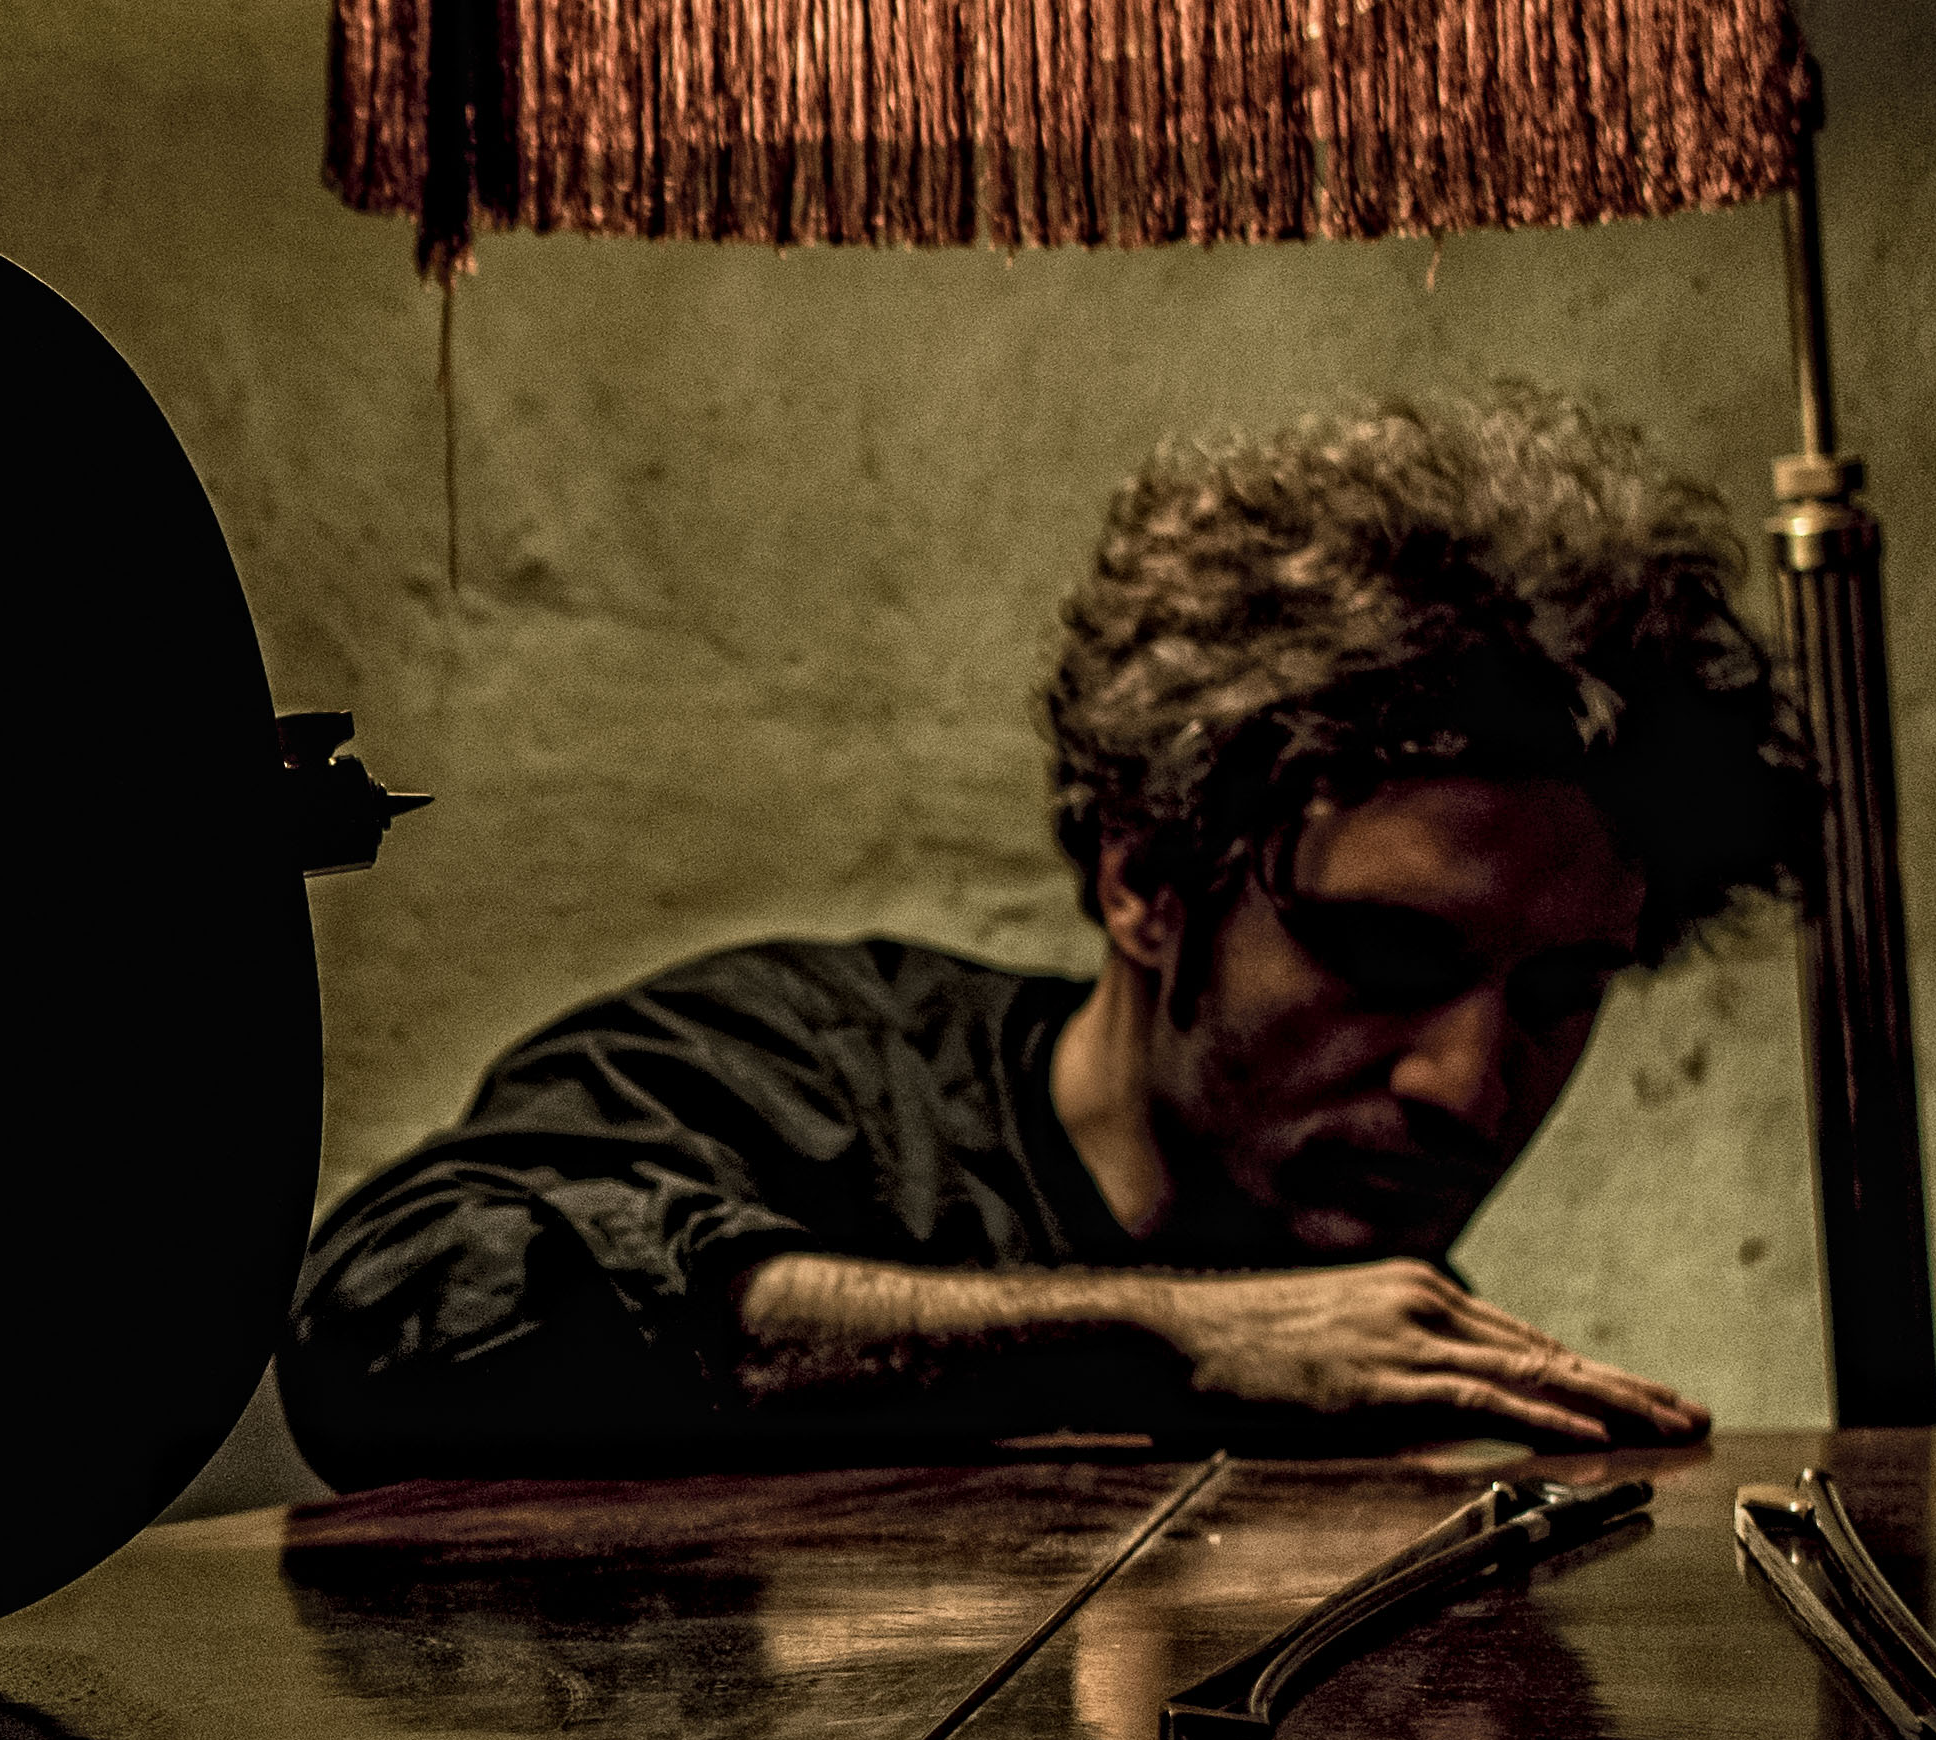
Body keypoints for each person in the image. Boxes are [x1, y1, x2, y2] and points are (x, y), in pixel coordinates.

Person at [280, 391, 1816, 1491]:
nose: (1467, 1089)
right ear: (1148, 879)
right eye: (1386, 959)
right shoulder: (796, 1072)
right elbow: (389, 1308)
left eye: (1559, 992)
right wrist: (1153, 1340)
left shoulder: (1375, 1344)